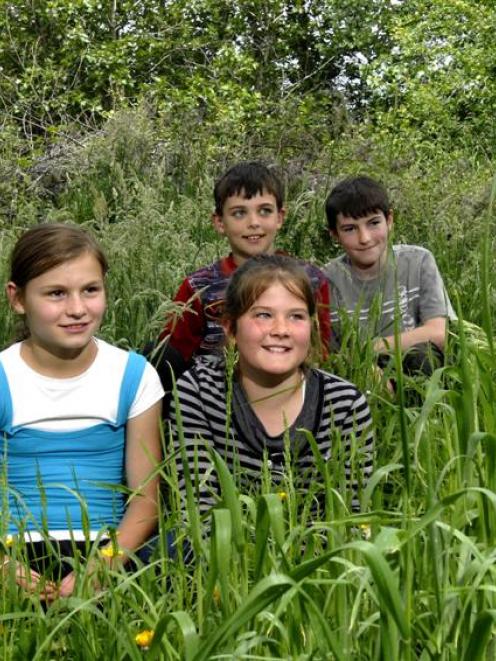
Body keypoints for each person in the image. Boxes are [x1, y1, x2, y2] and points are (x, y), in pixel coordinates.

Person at [0, 223, 164, 601]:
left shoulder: (133, 375)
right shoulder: (5, 376)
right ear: (18, 298)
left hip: (106, 549)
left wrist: (102, 566)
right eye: (56, 293)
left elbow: (146, 501)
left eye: (90, 290)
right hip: (14, 552)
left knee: (179, 551)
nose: (77, 309)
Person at [170, 254, 373, 517]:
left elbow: (352, 518)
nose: (281, 329)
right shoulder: (199, 391)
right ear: (230, 329)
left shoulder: (345, 405)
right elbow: (198, 512)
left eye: (296, 317)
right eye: (264, 315)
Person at [150, 161, 330, 400]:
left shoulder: (311, 279)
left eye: (264, 211)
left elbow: (322, 351)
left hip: (289, 390)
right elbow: (171, 357)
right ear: (220, 222)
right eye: (239, 213)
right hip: (213, 396)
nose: (253, 222)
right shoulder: (199, 287)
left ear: (280, 216)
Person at [324, 175, 454, 376]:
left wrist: (370, 349)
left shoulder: (418, 261)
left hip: (413, 367)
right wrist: (369, 371)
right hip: (358, 374)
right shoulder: (326, 280)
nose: (364, 238)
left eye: (373, 223)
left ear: (389, 220)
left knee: (423, 358)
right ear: (334, 234)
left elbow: (439, 333)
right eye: (350, 229)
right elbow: (324, 355)